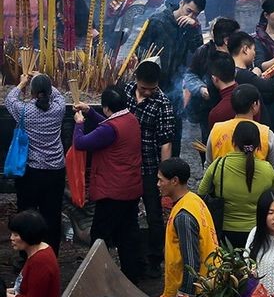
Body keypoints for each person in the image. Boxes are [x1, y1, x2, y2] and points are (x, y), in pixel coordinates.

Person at [71, 88, 145, 283]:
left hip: (112, 192)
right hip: (131, 189)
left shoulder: (110, 129)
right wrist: (90, 112)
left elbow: (81, 143)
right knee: (127, 234)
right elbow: (106, 127)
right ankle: (132, 276)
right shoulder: (131, 119)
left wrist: (79, 123)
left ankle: (96, 275)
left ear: (106, 108)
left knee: (99, 236)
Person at [5, 72, 66, 253]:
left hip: (31, 172)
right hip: (55, 171)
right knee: (52, 214)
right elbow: (58, 95)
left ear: (32, 93)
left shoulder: (24, 111)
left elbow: (9, 99)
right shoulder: (59, 109)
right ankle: (50, 253)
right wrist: (43, 79)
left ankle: (28, 255)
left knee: (27, 214)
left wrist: (22, 83)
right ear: (49, 91)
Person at [126, 61, 177, 277]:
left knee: (154, 214)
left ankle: (155, 258)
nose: (147, 92)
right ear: (136, 81)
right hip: (127, 164)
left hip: (149, 166)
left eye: (152, 89)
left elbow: (166, 142)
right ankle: (131, 254)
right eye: (143, 88)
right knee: (127, 210)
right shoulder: (127, 91)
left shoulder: (163, 103)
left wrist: (163, 174)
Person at [199, 119, 274, 246]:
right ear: (258, 144)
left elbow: (202, 192)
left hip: (224, 231)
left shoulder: (218, 165)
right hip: (257, 231)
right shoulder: (268, 170)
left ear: (233, 141)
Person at [208, 84, 274, 188]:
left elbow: (208, 166)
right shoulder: (266, 134)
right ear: (254, 105)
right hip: (259, 193)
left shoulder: (216, 130)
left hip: (222, 192)